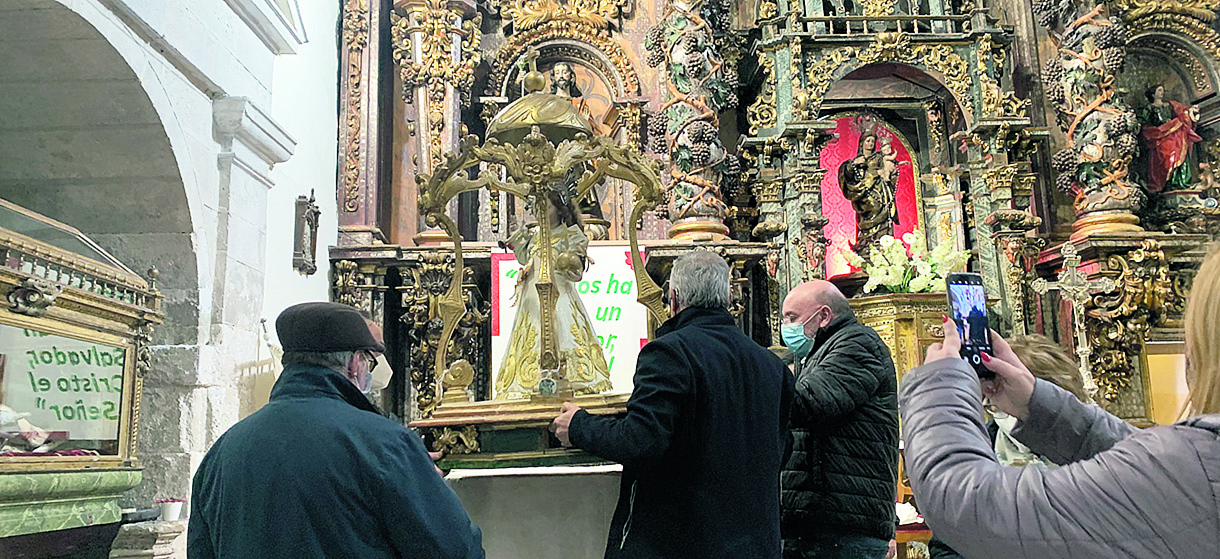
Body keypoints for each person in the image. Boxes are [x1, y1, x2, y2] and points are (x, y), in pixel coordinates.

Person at [900, 249, 1220, 559]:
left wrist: (940, 385)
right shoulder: (1196, 463)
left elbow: (969, 508)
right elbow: (1150, 467)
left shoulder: (1194, 463)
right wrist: (1039, 407)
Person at [188, 302, 483, 559]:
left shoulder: (223, 451)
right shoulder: (385, 444)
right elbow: (456, 551)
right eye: (369, 360)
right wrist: (429, 483)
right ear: (356, 363)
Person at [550, 250, 794, 559]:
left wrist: (579, 425)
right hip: (758, 543)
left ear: (674, 298)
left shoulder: (669, 353)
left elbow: (641, 440)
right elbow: (783, 449)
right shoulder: (772, 365)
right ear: (729, 297)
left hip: (684, 540)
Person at [779, 280, 899, 559]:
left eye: (792, 318)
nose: (786, 327)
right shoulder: (813, 353)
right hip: (813, 523)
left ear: (823, 315)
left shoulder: (859, 344)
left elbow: (809, 403)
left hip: (843, 526)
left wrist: (749, 375)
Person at [496, 176, 612, 399]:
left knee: (563, 332)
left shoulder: (572, 234)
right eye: (539, 207)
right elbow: (524, 257)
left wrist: (568, 260)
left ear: (559, 209)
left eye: (546, 207)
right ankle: (531, 379)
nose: (541, 212)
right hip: (533, 295)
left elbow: (576, 269)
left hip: (560, 295)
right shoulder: (536, 235)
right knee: (533, 333)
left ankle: (569, 378)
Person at [1140, 84, 1201, 192]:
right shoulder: (1149, 108)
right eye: (1159, 90)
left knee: (1181, 149)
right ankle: (1169, 182)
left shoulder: (1170, 105)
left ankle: (1180, 181)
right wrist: (1155, 132)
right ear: (1153, 93)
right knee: (1164, 156)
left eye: (1162, 90)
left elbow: (1183, 113)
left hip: (1174, 134)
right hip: (1160, 136)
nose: (1162, 92)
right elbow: (1144, 123)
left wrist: (1191, 111)